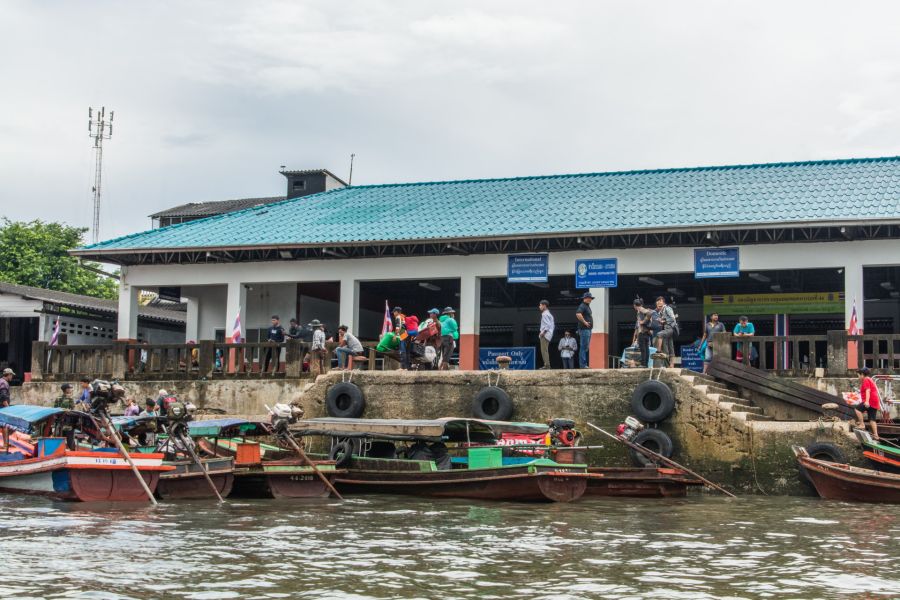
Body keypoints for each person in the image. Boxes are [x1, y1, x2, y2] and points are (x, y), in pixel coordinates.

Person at [852, 367, 881, 439]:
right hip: (874, 401)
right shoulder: (869, 379)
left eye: (858, 375)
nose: (858, 377)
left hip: (870, 401)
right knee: (872, 419)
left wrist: (867, 401)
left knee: (857, 410)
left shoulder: (866, 380)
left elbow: (868, 390)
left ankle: (862, 424)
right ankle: (876, 435)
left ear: (862, 374)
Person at [652, 297, 678, 367]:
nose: (659, 306)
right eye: (657, 305)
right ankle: (671, 365)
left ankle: (658, 351)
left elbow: (673, 318)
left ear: (663, 302)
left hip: (670, 329)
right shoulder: (661, 312)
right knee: (670, 347)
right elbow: (664, 322)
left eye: (660, 304)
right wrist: (661, 321)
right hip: (666, 330)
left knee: (659, 334)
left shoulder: (667, 308)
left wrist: (664, 321)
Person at [575, 293, 594, 368]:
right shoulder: (582, 305)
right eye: (588, 298)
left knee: (585, 347)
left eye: (590, 298)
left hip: (587, 329)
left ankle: (584, 364)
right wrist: (585, 322)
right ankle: (583, 365)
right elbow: (578, 314)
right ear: (584, 298)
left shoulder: (586, 306)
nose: (590, 299)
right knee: (583, 347)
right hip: (584, 329)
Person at [632, 299, 653, 367]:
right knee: (646, 349)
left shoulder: (640, 309)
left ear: (635, 305)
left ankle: (643, 364)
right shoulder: (641, 310)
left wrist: (643, 321)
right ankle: (645, 364)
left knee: (643, 349)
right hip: (647, 332)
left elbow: (649, 313)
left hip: (643, 332)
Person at [538, 300, 555, 369]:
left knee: (544, 350)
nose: (539, 306)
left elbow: (547, 325)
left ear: (544, 306)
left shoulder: (544, 314)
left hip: (545, 334)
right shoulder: (549, 314)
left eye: (540, 305)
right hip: (549, 334)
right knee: (545, 350)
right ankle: (547, 365)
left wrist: (543, 333)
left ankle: (547, 365)